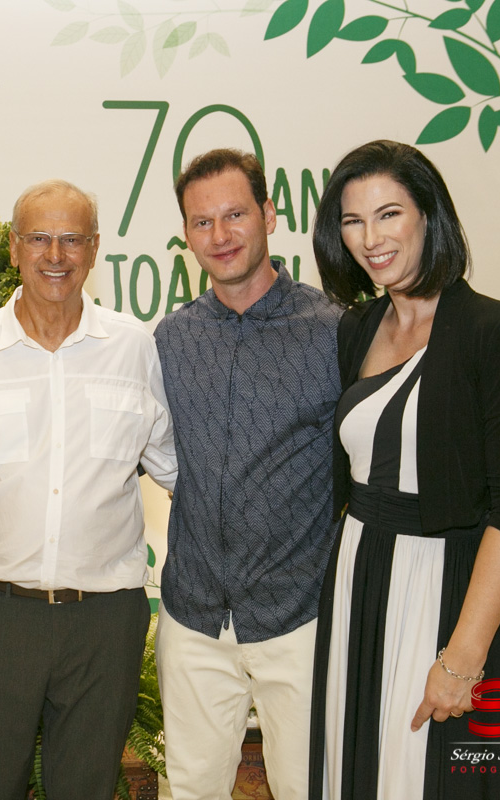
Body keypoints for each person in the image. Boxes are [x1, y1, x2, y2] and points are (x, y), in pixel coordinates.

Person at [0, 179, 177, 800]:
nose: (55, 255)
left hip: (104, 623)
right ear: (14, 247)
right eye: (38, 238)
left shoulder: (134, 348)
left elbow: (178, 470)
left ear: (94, 249)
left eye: (71, 239)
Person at [307, 140, 500, 800]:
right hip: (359, 586)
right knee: (360, 772)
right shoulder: (357, 327)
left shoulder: (497, 331)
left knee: (450, 779)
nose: (371, 238)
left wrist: (463, 659)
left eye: (389, 214)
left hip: (452, 601)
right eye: (353, 221)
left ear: (428, 215)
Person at [153, 149, 342, 800]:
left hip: (301, 617)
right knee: (190, 791)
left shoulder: (333, 331)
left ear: (269, 213)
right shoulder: (170, 340)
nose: (221, 235)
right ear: (186, 235)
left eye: (235, 215)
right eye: (202, 222)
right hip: (194, 618)